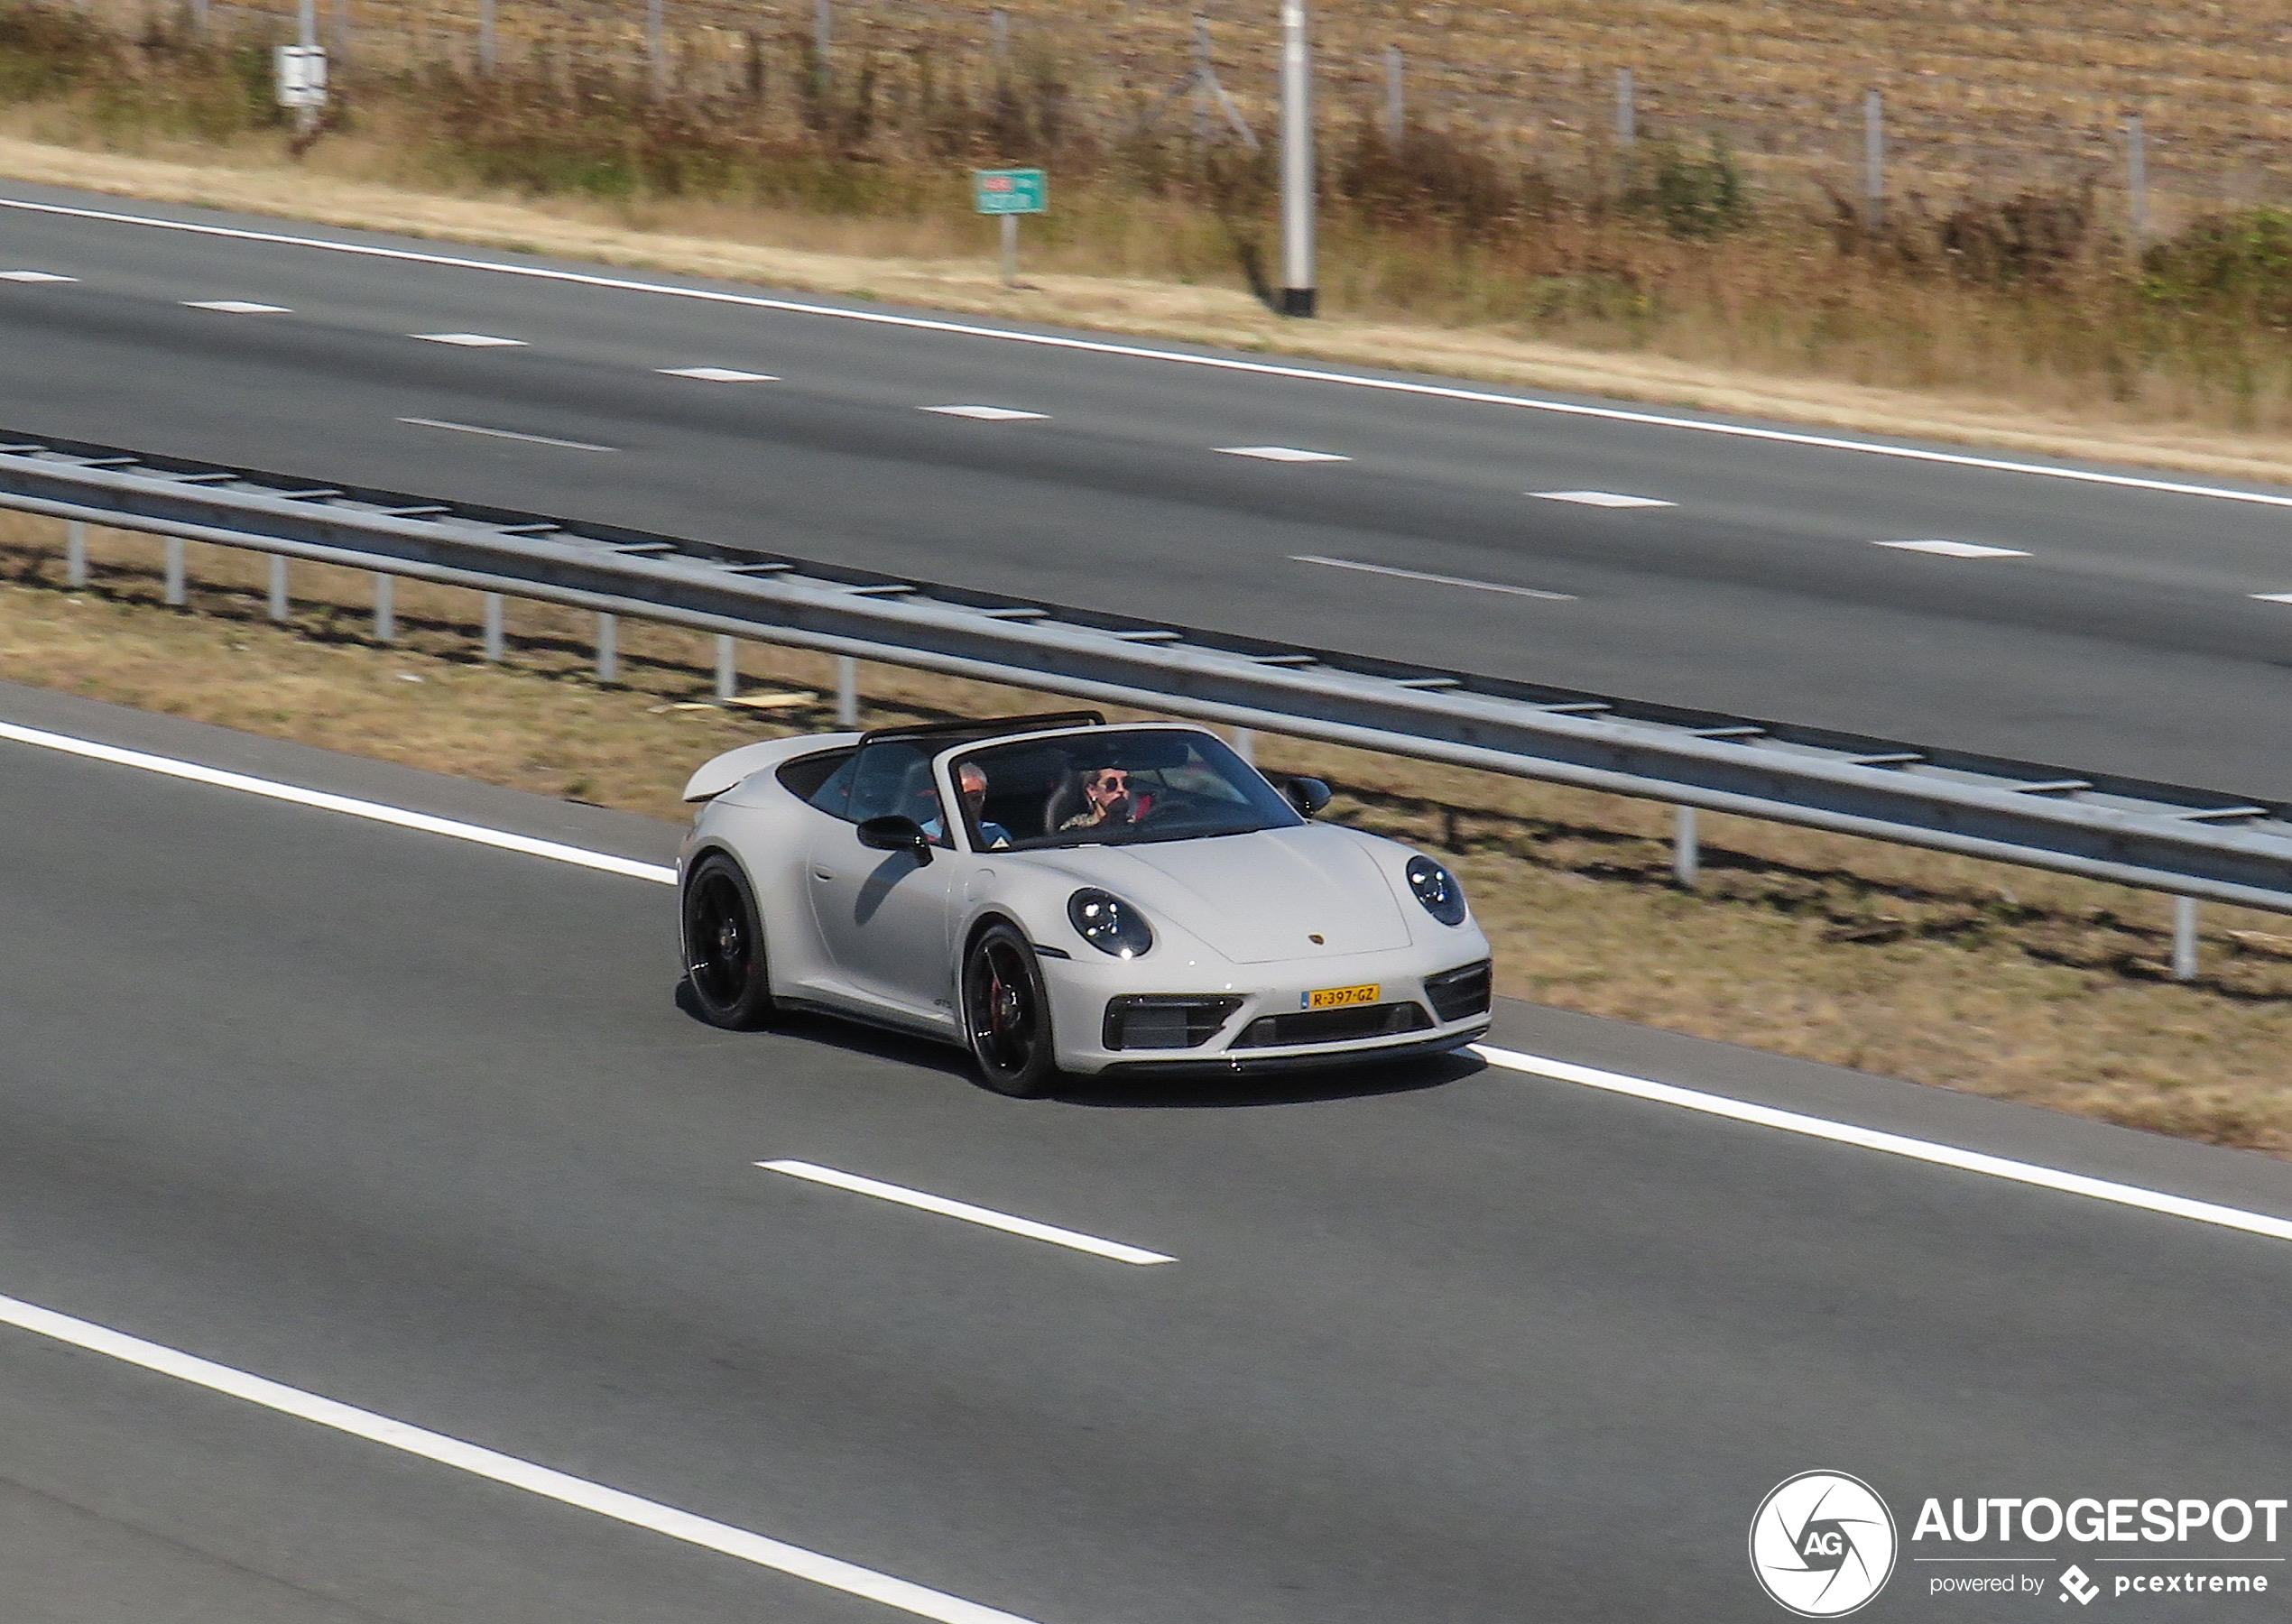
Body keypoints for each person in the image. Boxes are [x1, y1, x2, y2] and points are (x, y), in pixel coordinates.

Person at [1058, 764, 1151, 832]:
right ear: (1092, 791)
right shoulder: (1077, 828)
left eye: (1126, 783)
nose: (1121, 789)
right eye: (1111, 784)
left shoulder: (1142, 826)